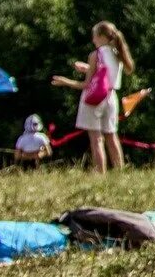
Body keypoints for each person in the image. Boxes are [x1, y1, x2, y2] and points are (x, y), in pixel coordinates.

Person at [52, 22, 133, 173]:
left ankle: (100, 172)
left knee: (96, 138)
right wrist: (89, 68)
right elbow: (107, 75)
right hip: (111, 97)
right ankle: (120, 170)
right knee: (111, 136)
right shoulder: (117, 53)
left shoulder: (95, 55)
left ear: (102, 37)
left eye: (94, 36)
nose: (93, 40)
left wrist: (65, 81)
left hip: (95, 99)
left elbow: (86, 85)